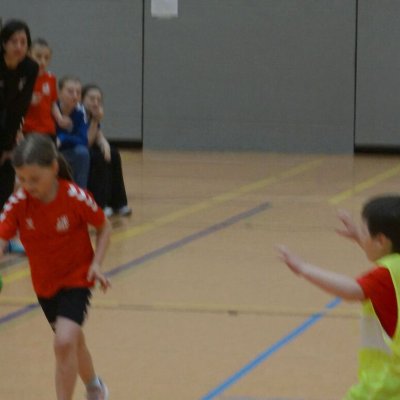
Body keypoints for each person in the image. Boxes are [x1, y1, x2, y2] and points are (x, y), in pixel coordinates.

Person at [0, 134, 111, 400]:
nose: (27, 186)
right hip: (45, 284)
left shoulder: (75, 197)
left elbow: (104, 226)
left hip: (78, 277)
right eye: (22, 179)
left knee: (63, 342)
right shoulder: (18, 203)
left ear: (53, 168)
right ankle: (94, 385)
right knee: (72, 343)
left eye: (34, 179)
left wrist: (97, 264)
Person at [277, 195, 400, 399]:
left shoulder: (385, 275)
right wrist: (359, 237)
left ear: (381, 240)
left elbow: (351, 290)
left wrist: (304, 268)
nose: (362, 236)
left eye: (364, 232)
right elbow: (384, 252)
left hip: (385, 385)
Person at [0, 19, 39, 253]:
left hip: (8, 130)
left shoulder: (30, 68)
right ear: (3, 43)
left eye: (23, 42)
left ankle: (5, 236)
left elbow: (19, 108)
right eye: (13, 41)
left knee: (6, 180)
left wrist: (7, 147)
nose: (19, 46)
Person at [82, 83, 131, 217]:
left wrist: (105, 145)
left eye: (98, 100)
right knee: (98, 157)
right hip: (81, 148)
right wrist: (95, 120)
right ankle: (100, 204)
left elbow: (98, 135)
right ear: (82, 99)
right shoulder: (78, 114)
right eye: (92, 99)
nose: (95, 102)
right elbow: (87, 142)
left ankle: (118, 203)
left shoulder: (92, 114)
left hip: (89, 144)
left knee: (113, 154)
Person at [23, 38, 71, 141]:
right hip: (27, 129)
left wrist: (59, 118)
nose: (42, 61)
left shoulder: (51, 78)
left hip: (48, 129)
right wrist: (27, 99)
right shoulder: (23, 78)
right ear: (29, 55)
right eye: (38, 56)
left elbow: (53, 103)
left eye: (46, 58)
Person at [56, 76, 91, 188]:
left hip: (69, 152)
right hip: (50, 151)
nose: (75, 96)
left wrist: (62, 138)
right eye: (70, 91)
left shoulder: (81, 111)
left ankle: (80, 193)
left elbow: (83, 140)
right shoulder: (51, 108)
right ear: (59, 93)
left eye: (78, 92)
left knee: (82, 153)